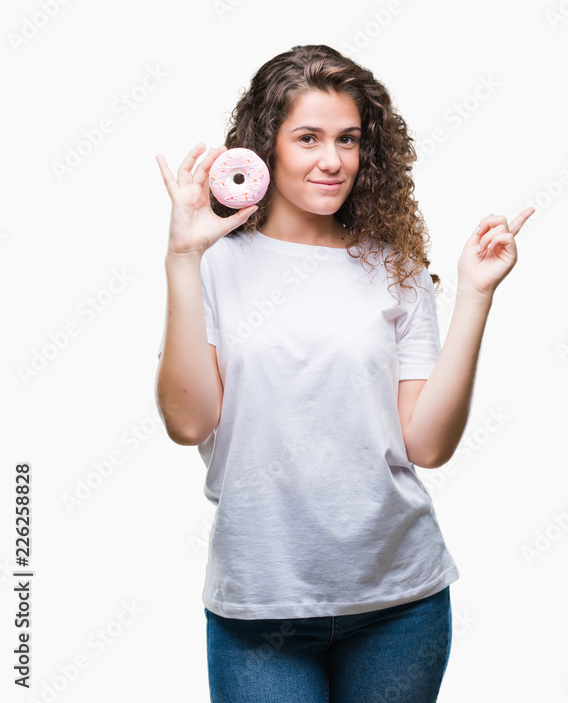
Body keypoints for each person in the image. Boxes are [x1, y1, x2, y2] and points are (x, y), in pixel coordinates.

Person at [153, 44, 533, 703]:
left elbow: (428, 445)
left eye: (348, 139)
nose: (333, 159)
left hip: (398, 603)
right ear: (264, 146)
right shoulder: (215, 262)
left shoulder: (395, 265)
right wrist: (182, 257)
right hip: (259, 607)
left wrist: (475, 294)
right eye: (308, 137)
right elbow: (189, 421)